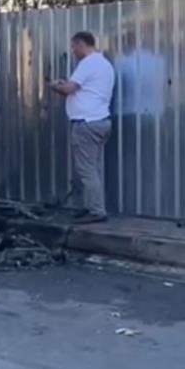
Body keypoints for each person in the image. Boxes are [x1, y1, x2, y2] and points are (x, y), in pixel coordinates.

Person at [49, 31, 115, 224]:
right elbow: (85, 90)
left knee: (87, 170)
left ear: (81, 44)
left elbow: (68, 89)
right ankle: (92, 206)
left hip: (87, 123)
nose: (73, 51)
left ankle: (96, 211)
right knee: (92, 168)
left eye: (73, 47)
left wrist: (54, 85)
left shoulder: (88, 63)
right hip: (100, 121)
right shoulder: (104, 64)